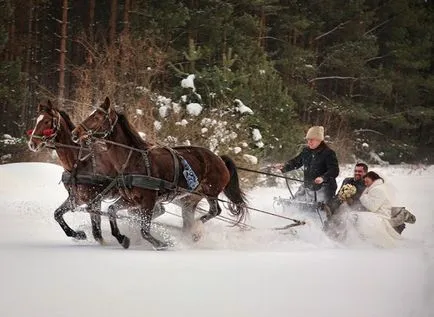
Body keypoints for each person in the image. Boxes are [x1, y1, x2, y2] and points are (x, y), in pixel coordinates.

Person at [275, 126, 339, 205]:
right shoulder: (306, 151)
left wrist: (323, 178)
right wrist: (285, 166)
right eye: (308, 139)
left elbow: (334, 170)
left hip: (324, 188)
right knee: (295, 204)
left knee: (318, 209)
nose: (309, 142)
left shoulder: (328, 153)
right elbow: (296, 162)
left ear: (319, 139)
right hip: (308, 186)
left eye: (311, 139)